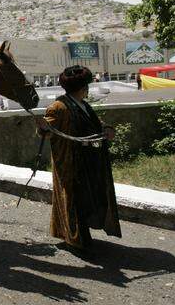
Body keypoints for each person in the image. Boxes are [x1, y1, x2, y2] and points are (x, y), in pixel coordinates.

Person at [36, 65, 121, 253]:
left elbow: (96, 124)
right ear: (83, 88)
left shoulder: (84, 105)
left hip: (89, 162)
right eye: (86, 86)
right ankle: (76, 240)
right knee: (74, 201)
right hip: (70, 163)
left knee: (88, 199)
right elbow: (48, 131)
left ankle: (79, 236)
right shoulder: (58, 107)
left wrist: (106, 129)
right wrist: (43, 127)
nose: (88, 89)